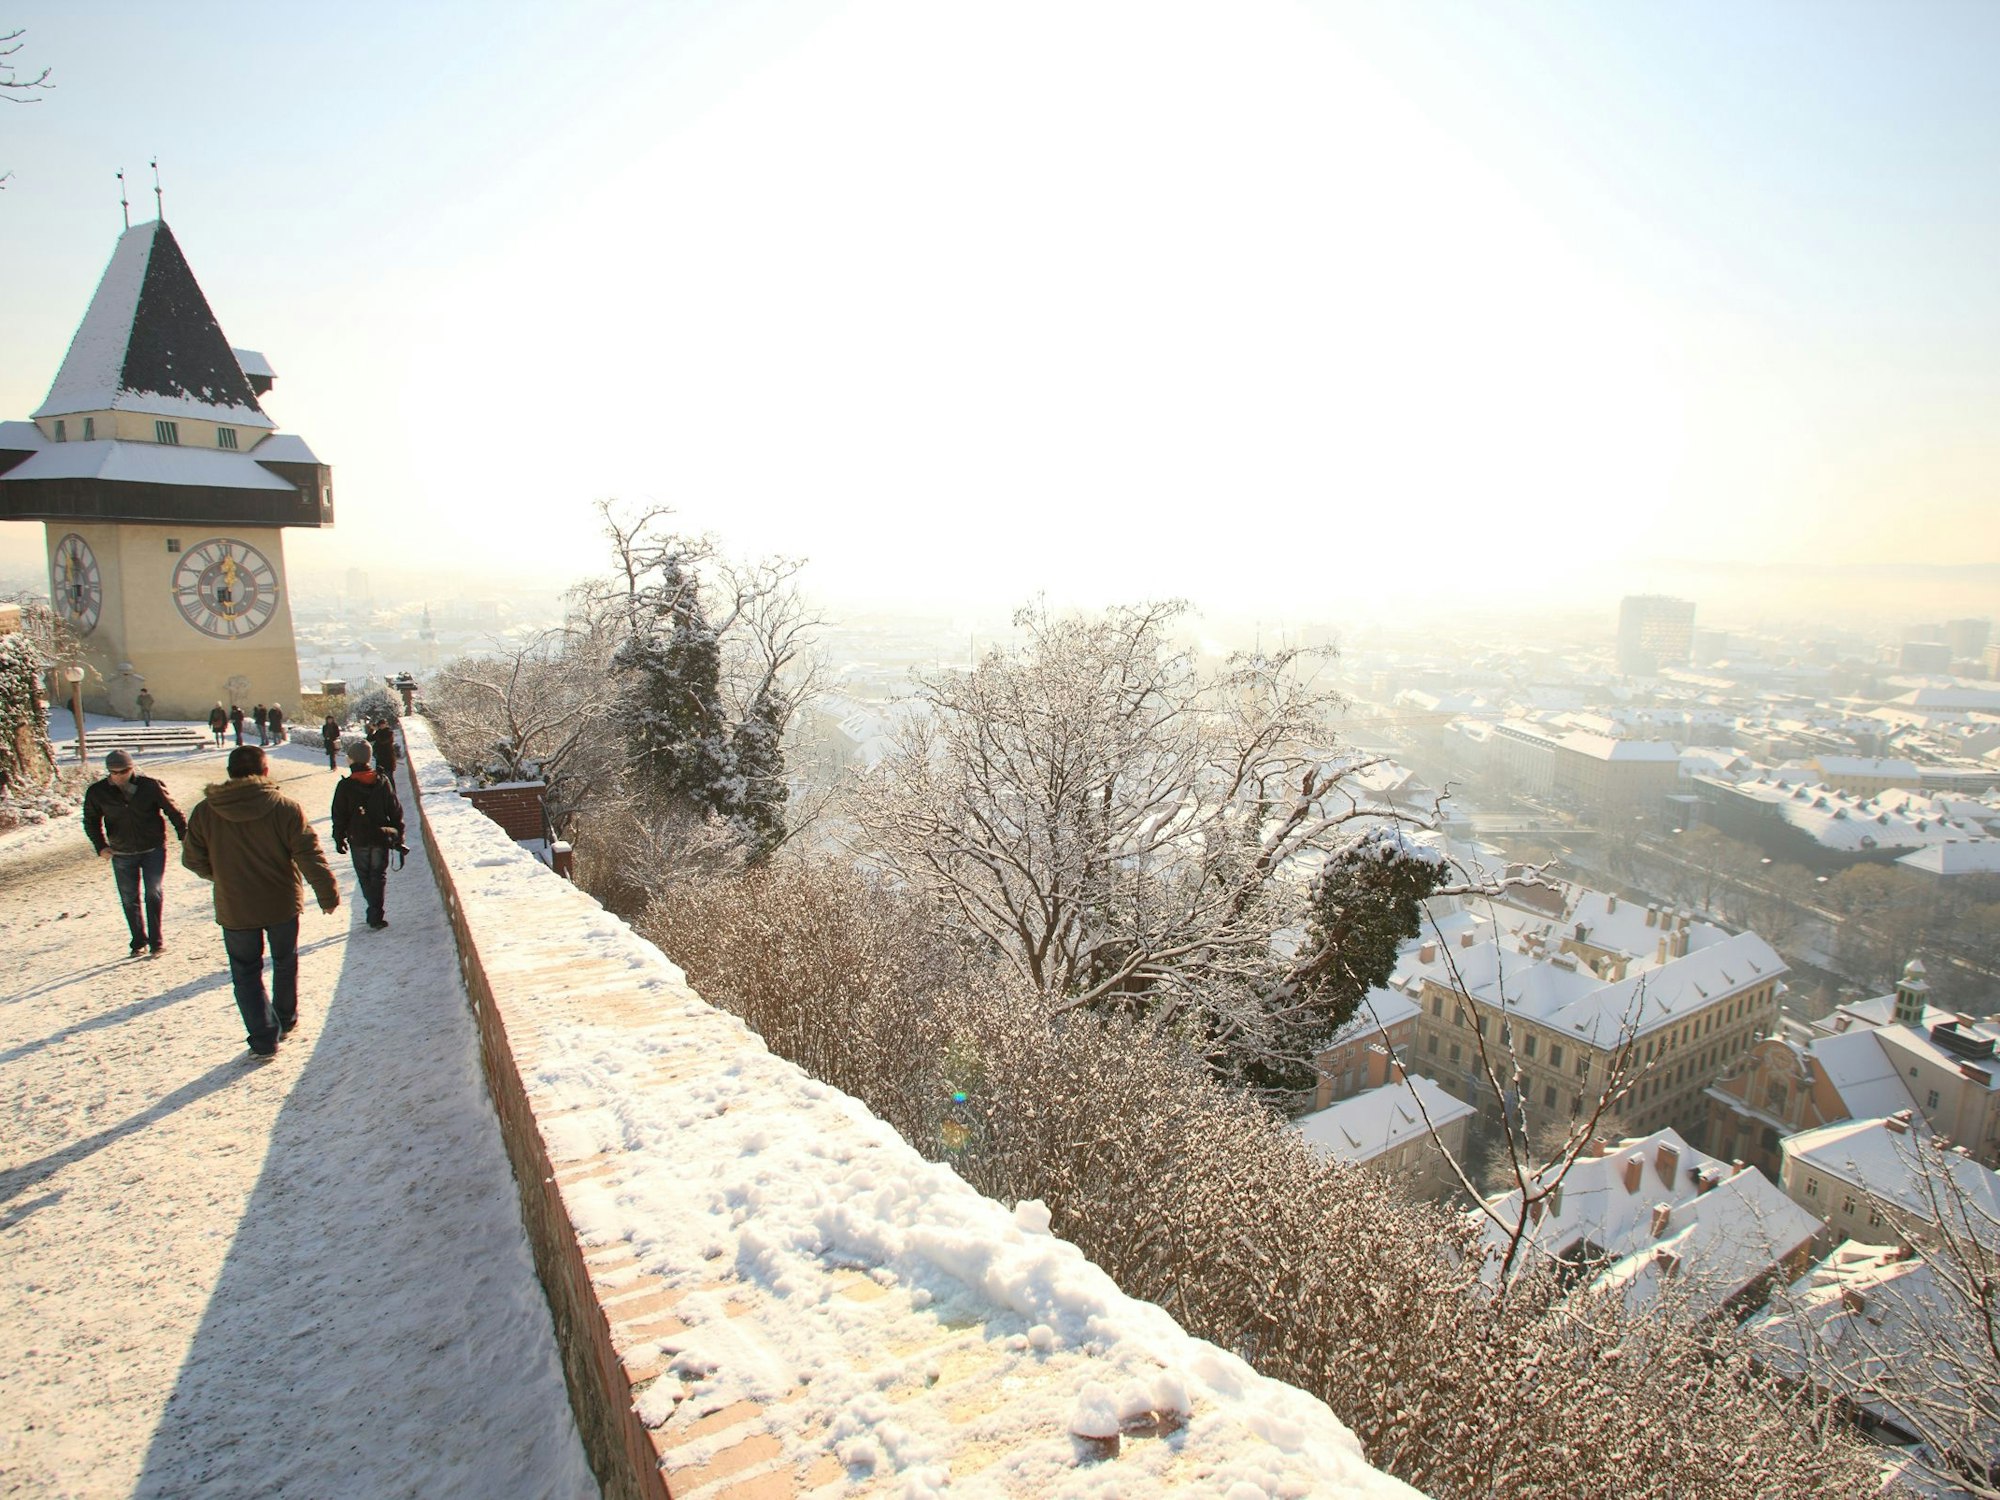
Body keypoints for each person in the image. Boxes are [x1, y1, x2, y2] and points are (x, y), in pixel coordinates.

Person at [183, 745, 340, 1057]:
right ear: (265, 772)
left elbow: (192, 860)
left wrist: (222, 877)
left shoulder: (205, 811)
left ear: (229, 774)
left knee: (245, 972)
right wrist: (327, 893)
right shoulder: (284, 807)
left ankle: (264, 1036)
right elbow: (309, 854)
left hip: (235, 906)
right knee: (285, 961)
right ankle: (286, 1017)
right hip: (280, 901)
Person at [82, 748, 187, 957]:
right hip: (121, 851)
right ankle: (138, 941)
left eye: (124, 771)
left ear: (132, 768)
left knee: (153, 893)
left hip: (153, 848)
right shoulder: (97, 792)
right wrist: (101, 846)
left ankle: (156, 941)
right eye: (114, 772)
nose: (119, 776)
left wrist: (184, 836)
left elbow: (173, 811)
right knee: (129, 897)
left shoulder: (150, 786)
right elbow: (90, 821)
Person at [331, 739, 404, 931]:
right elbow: (395, 810)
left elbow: (339, 815)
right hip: (381, 836)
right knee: (378, 875)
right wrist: (399, 836)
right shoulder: (382, 781)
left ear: (352, 760)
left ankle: (373, 909)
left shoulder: (345, 786)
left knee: (364, 876)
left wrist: (339, 838)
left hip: (358, 838)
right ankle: (376, 913)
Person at [368, 717, 399, 785]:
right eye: (380, 725)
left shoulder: (389, 732)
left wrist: (378, 731)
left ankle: (392, 793)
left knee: (389, 778)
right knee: (380, 778)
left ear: (386, 724)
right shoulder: (379, 732)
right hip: (380, 759)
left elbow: (382, 741)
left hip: (388, 759)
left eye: (383, 724)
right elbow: (369, 739)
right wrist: (371, 730)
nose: (381, 726)